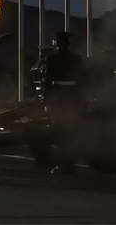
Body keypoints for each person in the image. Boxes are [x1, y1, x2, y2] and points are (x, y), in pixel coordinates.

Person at [43, 31, 85, 174]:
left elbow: (48, 80)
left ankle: (62, 164)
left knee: (60, 132)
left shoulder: (52, 59)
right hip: (72, 97)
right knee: (72, 131)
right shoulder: (77, 59)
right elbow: (81, 80)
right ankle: (70, 163)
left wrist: (46, 99)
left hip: (59, 97)